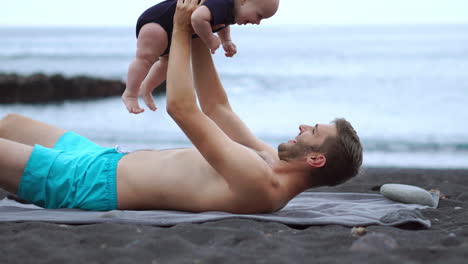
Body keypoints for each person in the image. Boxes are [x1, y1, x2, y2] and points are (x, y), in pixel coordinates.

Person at [0, 0, 362, 213]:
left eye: (313, 132)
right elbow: (217, 108)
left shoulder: (259, 183)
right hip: (104, 158)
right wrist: (195, 30)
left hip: (84, 184)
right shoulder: (267, 159)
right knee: (11, 122)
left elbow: (183, 108)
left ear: (316, 159)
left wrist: (176, 30)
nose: (302, 126)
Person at [122, 0, 280, 114]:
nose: (258, 22)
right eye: (259, 15)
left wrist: (226, 40)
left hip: (175, 30)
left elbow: (223, 25)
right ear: (244, 1)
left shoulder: (232, 12)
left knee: (166, 63)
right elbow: (198, 18)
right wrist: (210, 39)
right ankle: (130, 93)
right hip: (158, 22)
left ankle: (147, 88)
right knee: (145, 59)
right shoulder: (223, 3)